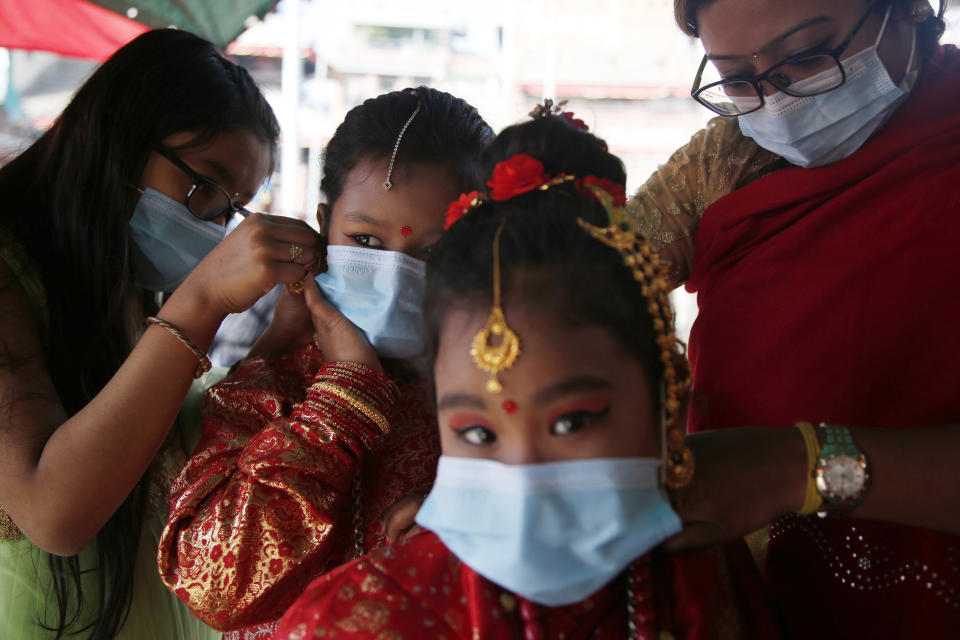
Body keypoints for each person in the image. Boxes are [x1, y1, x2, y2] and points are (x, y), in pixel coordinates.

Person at [271, 113, 783, 640]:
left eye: (571, 423)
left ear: (665, 400)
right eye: (477, 433)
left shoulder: (705, 571)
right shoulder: (352, 622)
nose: (522, 478)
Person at [626, 0, 960, 637]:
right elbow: (584, 287)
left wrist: (794, 467)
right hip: (747, 598)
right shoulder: (728, 162)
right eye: (735, 80)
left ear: (911, 9)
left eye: (807, 58)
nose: (775, 104)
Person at [0, 29, 320, 640]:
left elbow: (158, 439)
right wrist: (201, 301)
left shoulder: (123, 284)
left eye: (230, 209)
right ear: (118, 135)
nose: (211, 225)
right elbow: (54, 512)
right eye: (204, 187)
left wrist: (278, 342)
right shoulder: (8, 269)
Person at [158, 87, 494, 639]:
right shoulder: (271, 381)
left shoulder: (503, 395)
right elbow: (212, 585)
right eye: (365, 240)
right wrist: (343, 401)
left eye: (434, 252)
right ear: (322, 227)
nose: (393, 273)